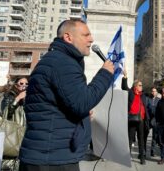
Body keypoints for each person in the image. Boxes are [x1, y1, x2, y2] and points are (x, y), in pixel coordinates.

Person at [19, 20, 114, 171]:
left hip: (46, 155)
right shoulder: (62, 63)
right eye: (86, 35)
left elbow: (52, 106)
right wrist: (105, 74)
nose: (92, 39)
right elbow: (82, 103)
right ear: (68, 37)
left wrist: (80, 116)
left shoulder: (56, 60)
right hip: (52, 159)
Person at [121, 76, 149, 165]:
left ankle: (142, 157)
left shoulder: (143, 95)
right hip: (132, 119)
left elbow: (145, 106)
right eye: (140, 85)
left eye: (141, 85)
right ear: (135, 86)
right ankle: (127, 156)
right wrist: (125, 77)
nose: (141, 86)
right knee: (129, 139)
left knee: (141, 139)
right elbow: (124, 87)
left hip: (141, 120)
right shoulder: (131, 93)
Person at [146, 87, 160, 157]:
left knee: (154, 136)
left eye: (155, 91)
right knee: (145, 134)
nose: (153, 92)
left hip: (155, 120)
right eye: (152, 91)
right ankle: (144, 150)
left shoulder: (159, 100)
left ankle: (152, 151)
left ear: (157, 92)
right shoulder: (148, 99)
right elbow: (146, 108)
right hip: (148, 119)